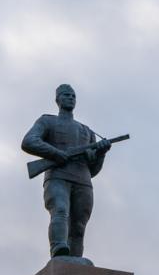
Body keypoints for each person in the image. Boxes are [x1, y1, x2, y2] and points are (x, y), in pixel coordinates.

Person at [21, 84, 111, 259]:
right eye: (66, 95)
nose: (70, 98)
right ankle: (59, 248)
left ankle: (75, 262)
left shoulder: (87, 131)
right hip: (57, 177)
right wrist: (56, 153)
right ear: (57, 99)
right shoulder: (47, 121)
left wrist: (101, 154)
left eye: (73, 96)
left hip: (83, 180)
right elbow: (29, 141)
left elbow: (92, 170)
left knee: (78, 226)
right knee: (60, 210)